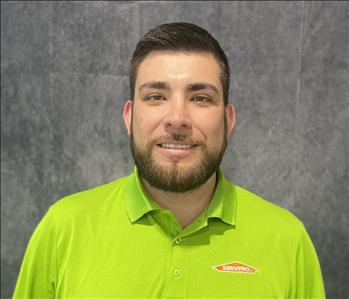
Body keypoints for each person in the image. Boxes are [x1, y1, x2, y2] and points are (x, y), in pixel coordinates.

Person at [13, 22, 325, 299]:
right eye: (156, 96)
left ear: (228, 120)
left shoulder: (287, 240)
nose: (177, 119)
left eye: (200, 98)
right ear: (129, 116)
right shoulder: (62, 229)